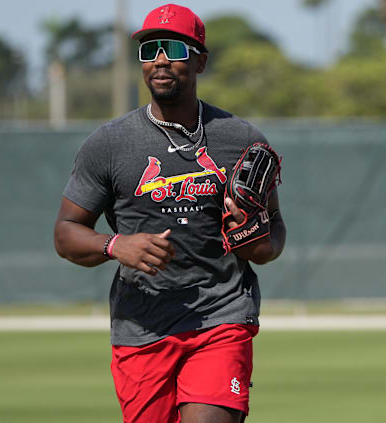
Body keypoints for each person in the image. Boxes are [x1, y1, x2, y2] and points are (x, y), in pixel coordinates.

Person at [53, 4, 286, 422]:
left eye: (173, 48)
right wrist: (114, 244)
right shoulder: (109, 144)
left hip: (221, 315)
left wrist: (257, 242)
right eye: (150, 49)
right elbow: (66, 233)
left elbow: (274, 235)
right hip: (142, 327)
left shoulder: (240, 138)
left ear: (199, 60)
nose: (160, 59)